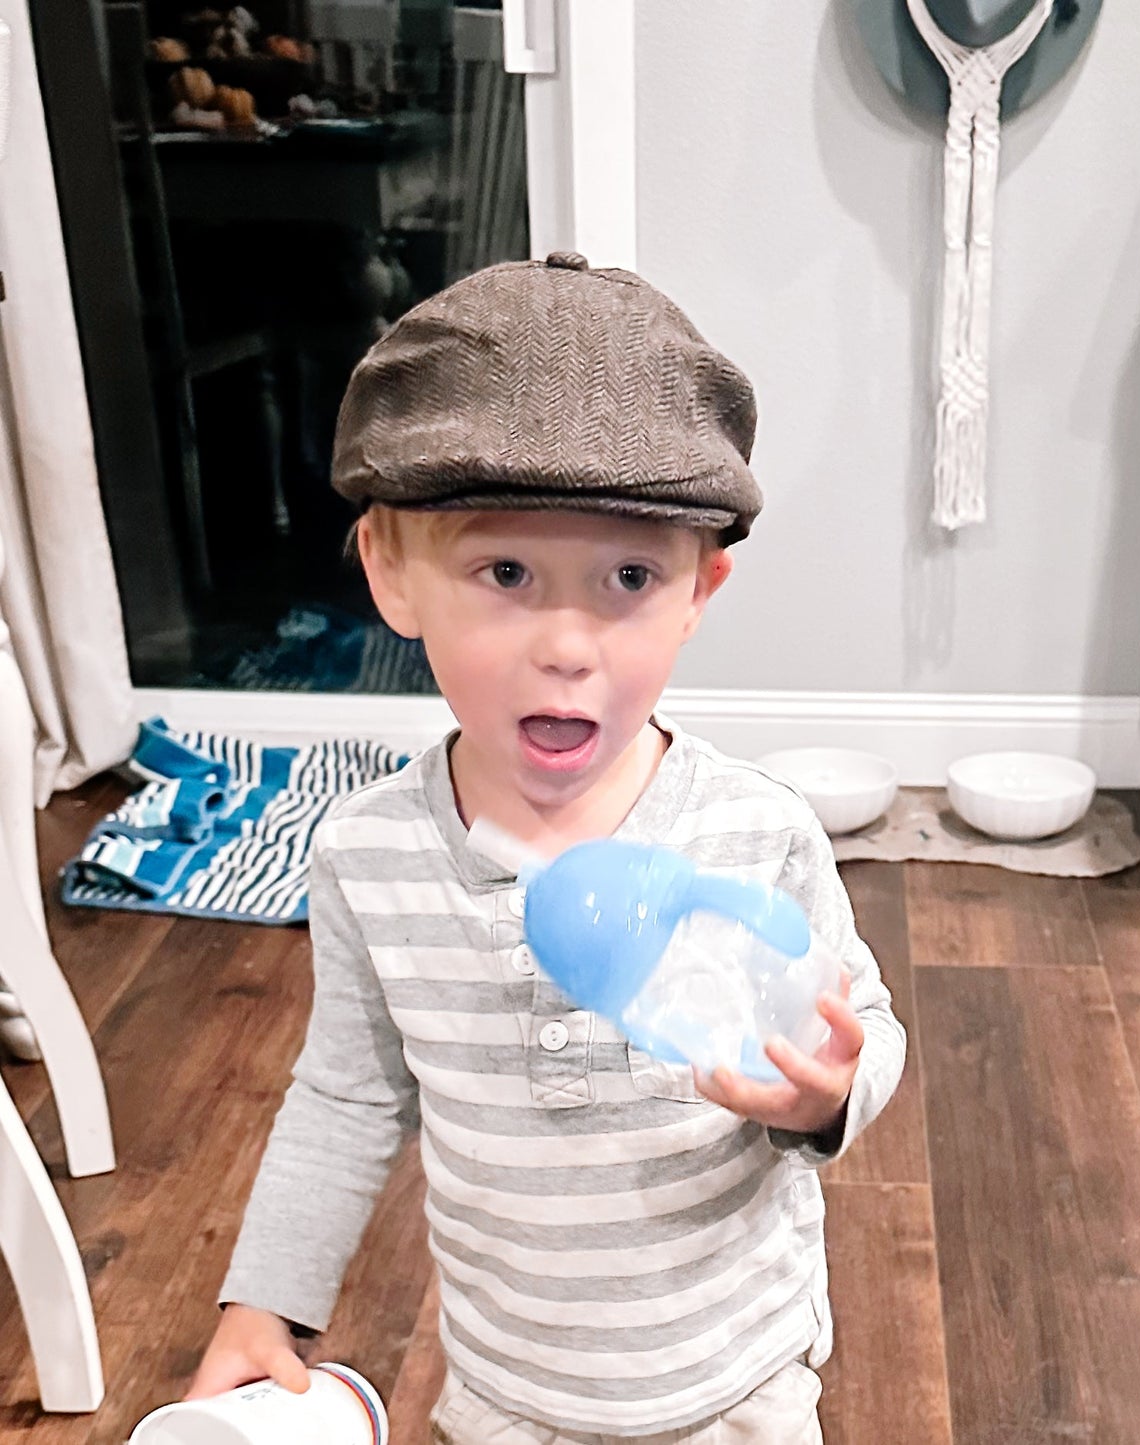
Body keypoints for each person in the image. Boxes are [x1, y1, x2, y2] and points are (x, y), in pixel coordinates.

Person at [189, 251, 907, 1443]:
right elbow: (345, 1094)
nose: (568, 643)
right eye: (506, 572)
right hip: (509, 1390)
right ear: (391, 572)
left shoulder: (756, 831)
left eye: (628, 575)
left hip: (735, 1379)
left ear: (700, 589)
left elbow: (861, 1030)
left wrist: (822, 1092)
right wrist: (269, 1297)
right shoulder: (370, 858)